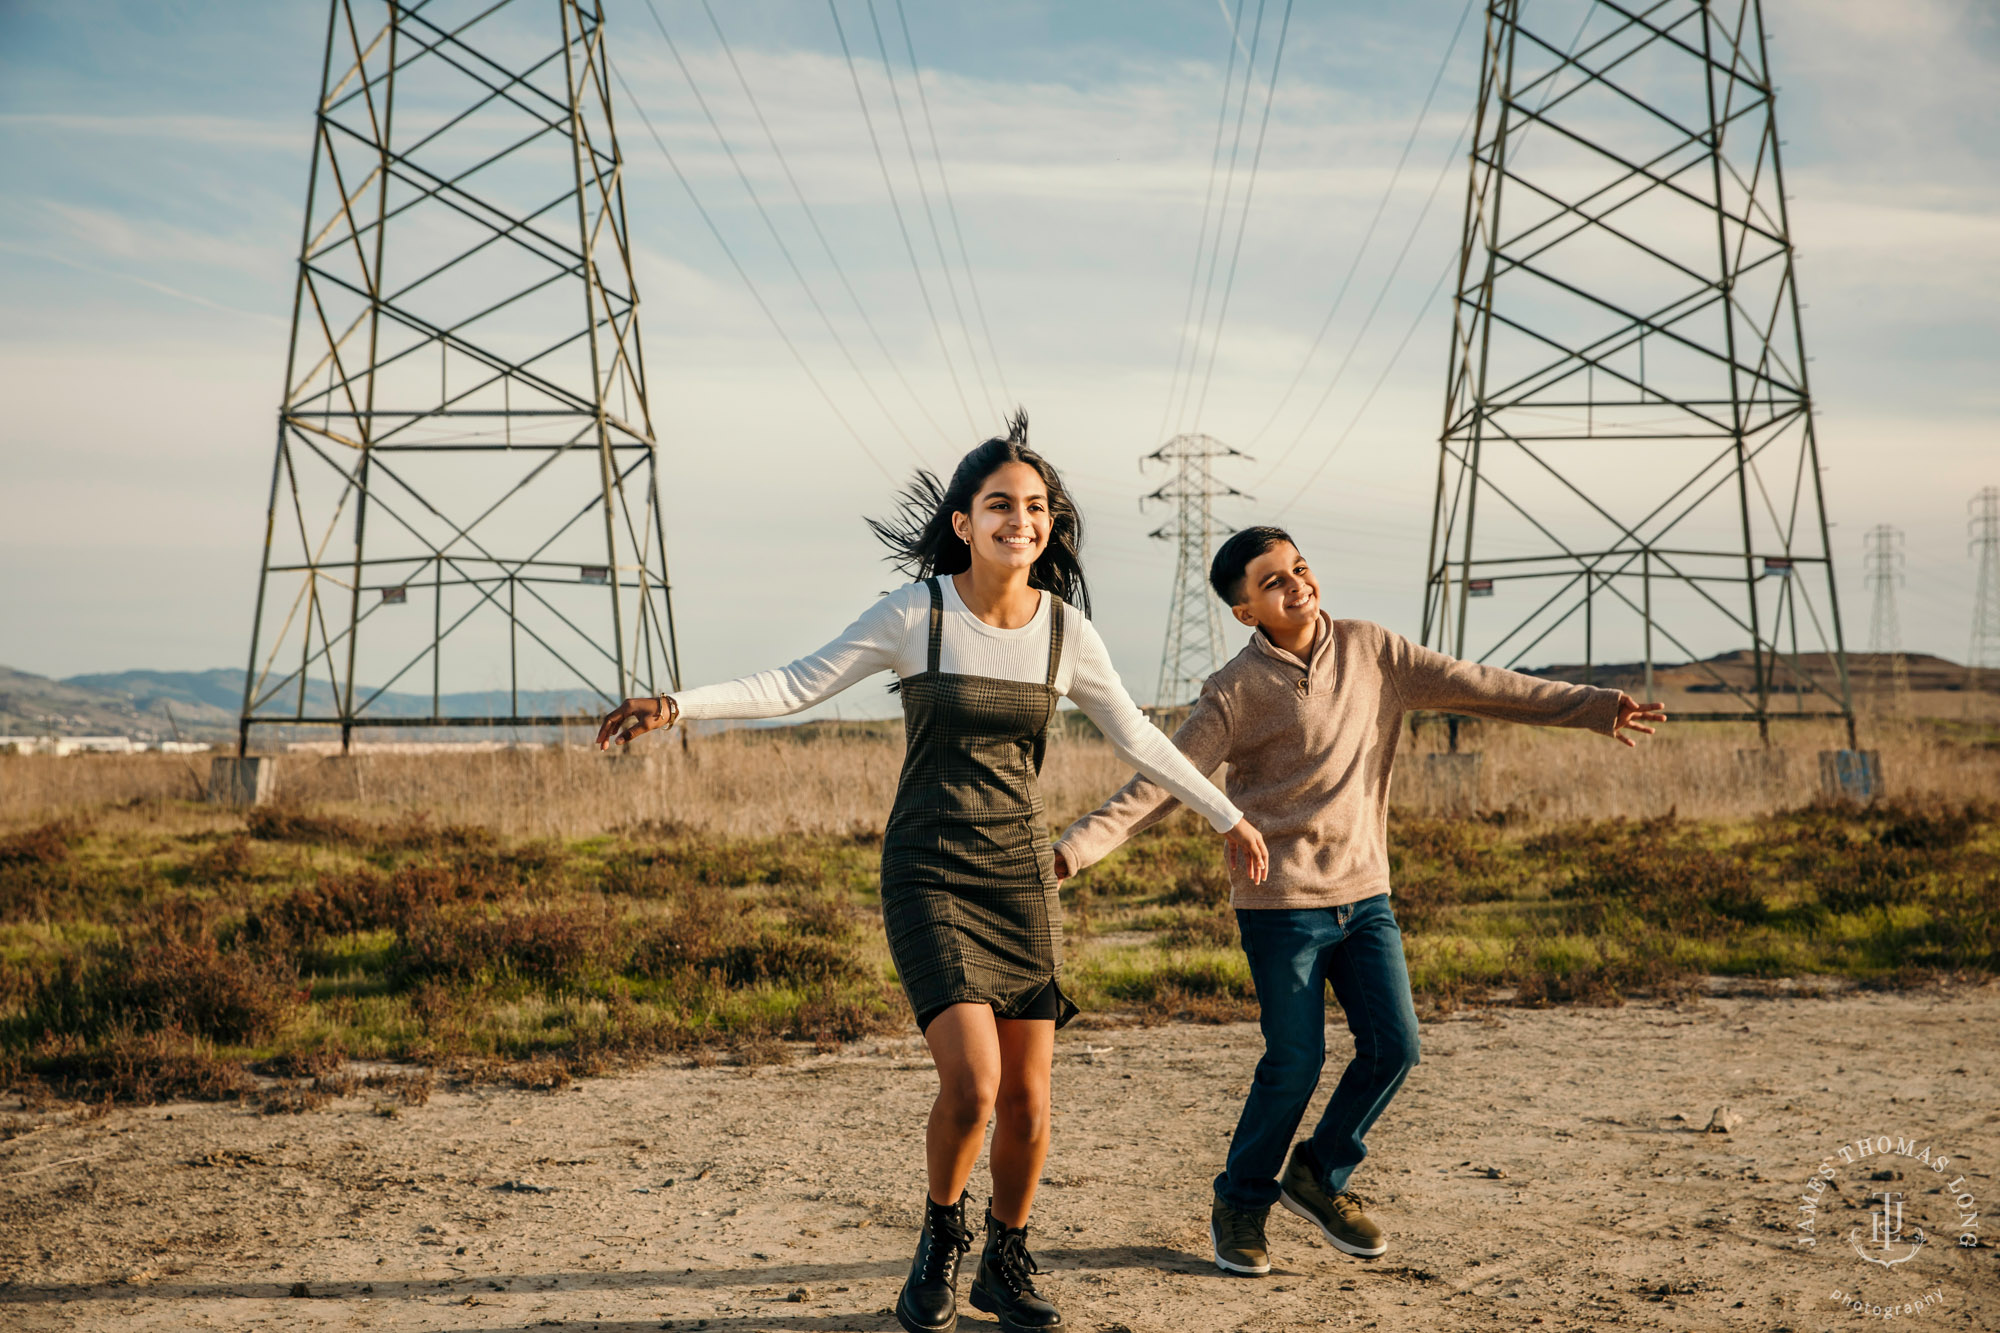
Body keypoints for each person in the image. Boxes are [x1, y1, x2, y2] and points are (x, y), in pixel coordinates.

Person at [597, 415, 1268, 1333]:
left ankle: (1006, 1255)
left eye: (1035, 507)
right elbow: (797, 685)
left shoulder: (1068, 633)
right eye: (1000, 505)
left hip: (1022, 877)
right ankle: (938, 1242)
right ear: (963, 521)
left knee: (1030, 1101)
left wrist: (1228, 815)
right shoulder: (916, 615)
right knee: (975, 1083)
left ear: (1049, 524)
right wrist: (680, 703)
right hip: (930, 872)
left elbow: (1142, 739)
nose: (1019, 520)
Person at [1051, 525, 1665, 1276]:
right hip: (1281, 905)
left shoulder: (1378, 652)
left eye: (1300, 568)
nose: (1297, 583)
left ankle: (1317, 1173)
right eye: (1274, 581)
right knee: (1295, 1062)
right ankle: (1241, 1203)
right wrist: (1075, 850)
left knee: (1395, 1046)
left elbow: (1483, 685)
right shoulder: (1233, 692)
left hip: (1365, 896)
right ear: (1247, 611)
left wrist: (1592, 705)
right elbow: (1164, 780)